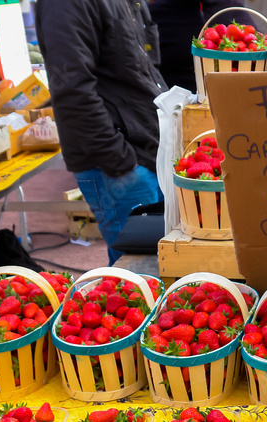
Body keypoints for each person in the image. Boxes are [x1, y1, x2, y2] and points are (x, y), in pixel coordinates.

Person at [35, 0, 167, 265]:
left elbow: (142, 65)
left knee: (156, 264)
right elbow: (72, 89)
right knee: (139, 271)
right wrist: (118, 160)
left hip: (146, 148)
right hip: (120, 162)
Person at [148, 0, 244, 92]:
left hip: (229, 98)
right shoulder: (154, 13)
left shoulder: (231, 8)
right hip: (174, 101)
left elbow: (253, 59)